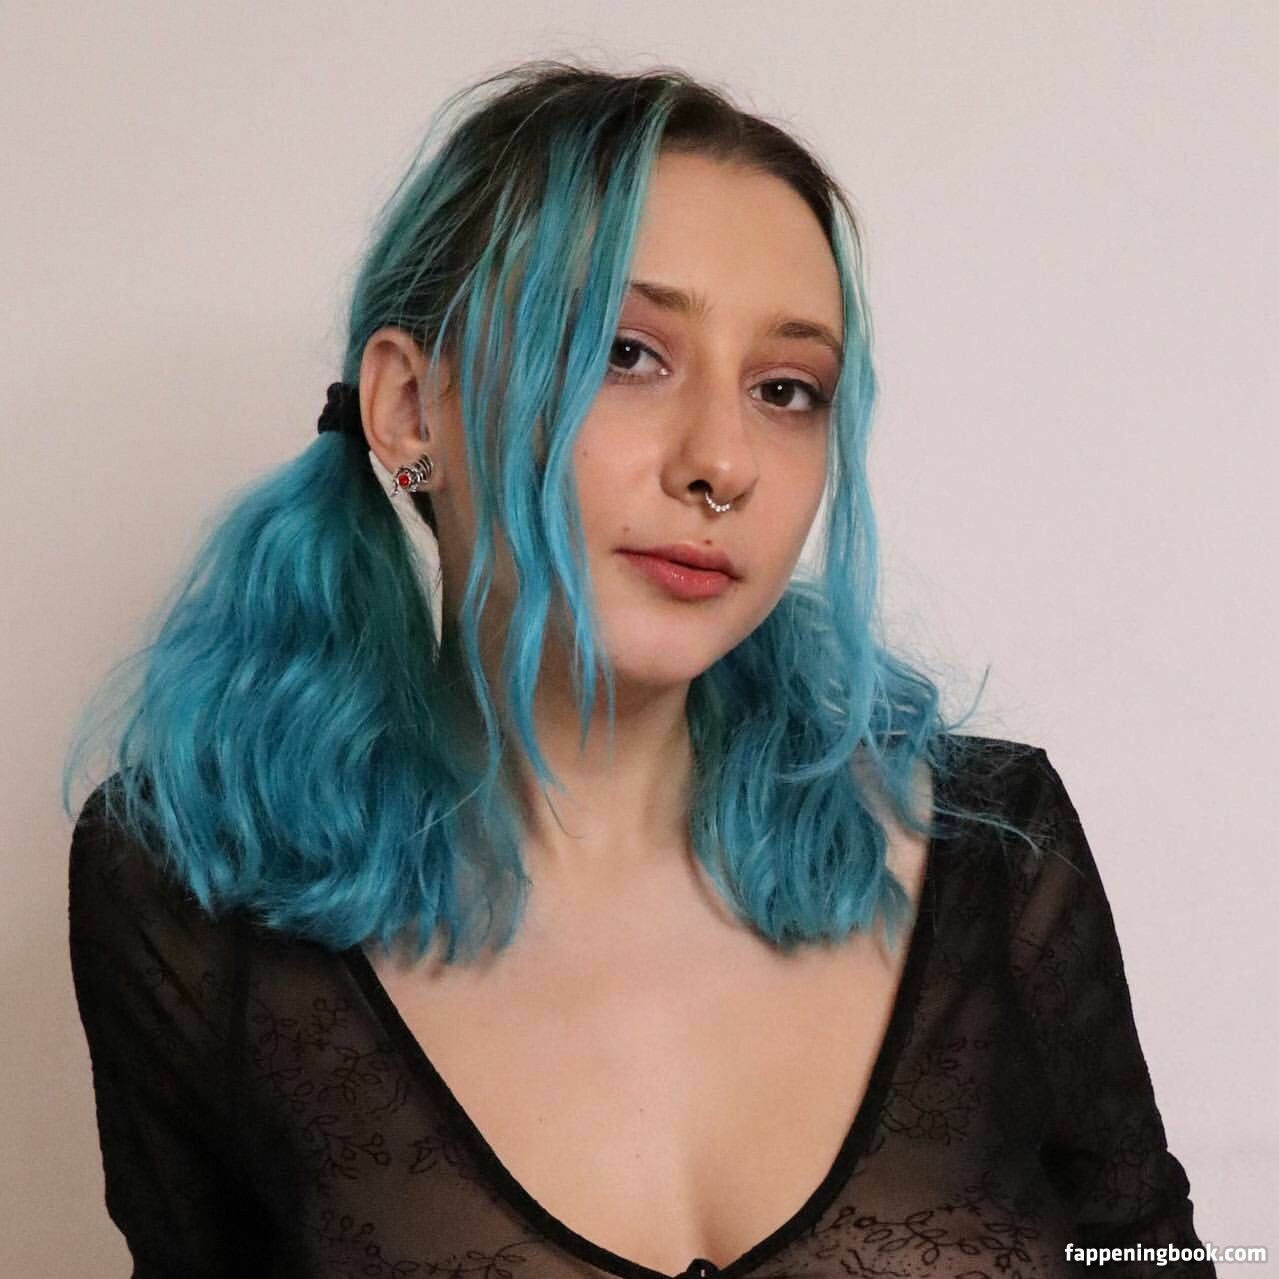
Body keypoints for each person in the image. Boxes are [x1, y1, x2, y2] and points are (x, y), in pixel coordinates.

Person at [63, 59, 1216, 1278]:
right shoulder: (191, 896)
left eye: (786, 389)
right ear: (409, 408)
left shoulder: (991, 847)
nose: (723, 461)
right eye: (625, 353)